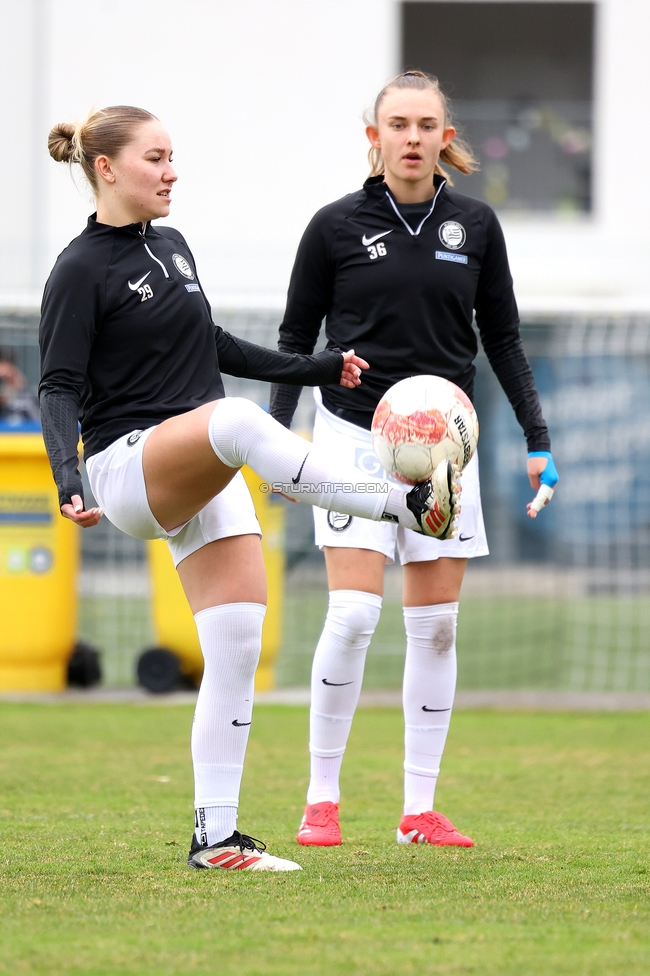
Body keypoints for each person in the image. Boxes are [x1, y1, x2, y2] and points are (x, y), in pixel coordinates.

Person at [39, 104, 460, 873]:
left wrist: (320, 366)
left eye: (174, 157)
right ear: (105, 168)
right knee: (233, 420)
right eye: (156, 158)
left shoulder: (171, 246)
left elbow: (214, 344)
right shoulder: (78, 269)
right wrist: (68, 479)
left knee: (233, 646)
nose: (172, 172)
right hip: (127, 469)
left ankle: (217, 838)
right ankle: (405, 505)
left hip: (199, 461)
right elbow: (58, 388)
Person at [269, 71, 558, 849]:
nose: (411, 137)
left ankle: (417, 812)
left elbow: (502, 339)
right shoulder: (333, 226)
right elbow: (296, 345)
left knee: (435, 630)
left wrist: (538, 442)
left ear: (444, 137)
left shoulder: (477, 224)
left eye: (426, 124)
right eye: (397, 123)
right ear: (375, 136)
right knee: (355, 613)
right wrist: (282, 446)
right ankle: (320, 799)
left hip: (443, 457)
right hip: (350, 438)